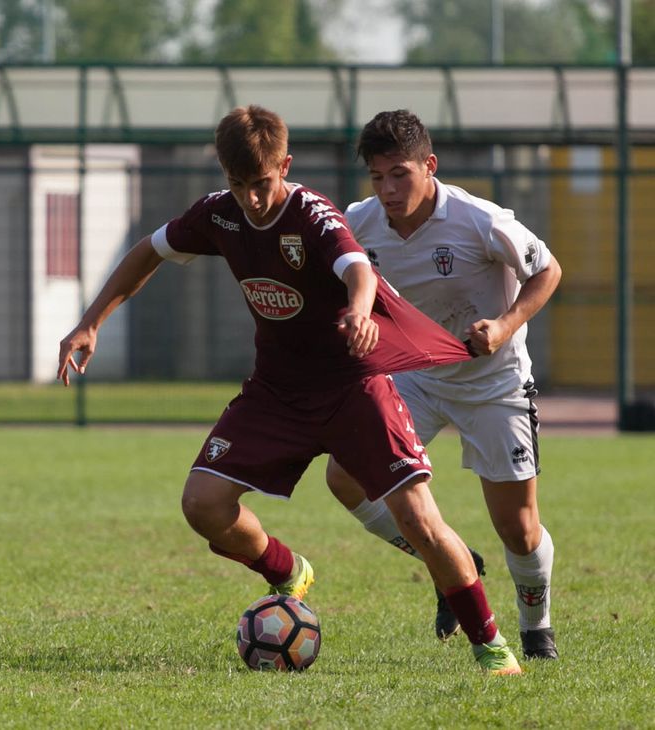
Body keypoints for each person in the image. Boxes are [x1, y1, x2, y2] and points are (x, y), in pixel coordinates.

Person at [57, 105, 523, 675]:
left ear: (284, 166)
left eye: (261, 183)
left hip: (353, 388)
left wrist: (359, 311)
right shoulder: (219, 214)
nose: (251, 199)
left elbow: (358, 269)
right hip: (276, 393)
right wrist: (91, 322)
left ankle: (490, 644)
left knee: (419, 520)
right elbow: (148, 251)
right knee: (203, 506)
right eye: (238, 185)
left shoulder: (313, 215)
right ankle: (287, 571)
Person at [325, 109, 562, 660]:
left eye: (399, 174)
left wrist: (504, 326)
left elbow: (548, 270)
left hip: (492, 383)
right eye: (377, 177)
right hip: (414, 378)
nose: (387, 190)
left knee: (519, 529)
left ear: (429, 166)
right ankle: (451, 563)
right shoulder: (358, 222)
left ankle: (536, 629)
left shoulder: (479, 220)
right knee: (345, 478)